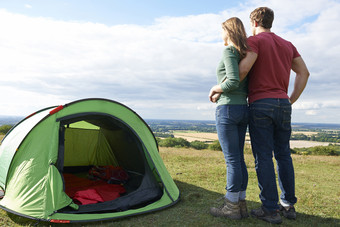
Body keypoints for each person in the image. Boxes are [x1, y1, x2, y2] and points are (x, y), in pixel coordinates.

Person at [238, 7, 310, 224]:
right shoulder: (287, 45)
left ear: (253, 22)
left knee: (263, 157)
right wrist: (291, 99)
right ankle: (288, 205)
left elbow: (243, 71)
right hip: (283, 105)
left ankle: (270, 209)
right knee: (283, 155)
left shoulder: (254, 41)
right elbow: (304, 73)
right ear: (271, 22)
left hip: (261, 103)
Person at [208, 17, 249, 220]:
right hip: (243, 108)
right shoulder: (245, 54)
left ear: (228, 31)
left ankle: (231, 206)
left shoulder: (228, 51)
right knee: (239, 159)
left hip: (228, 109)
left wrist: (215, 88)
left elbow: (232, 80)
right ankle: (240, 204)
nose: (220, 34)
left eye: (222, 30)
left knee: (232, 160)